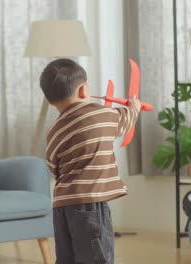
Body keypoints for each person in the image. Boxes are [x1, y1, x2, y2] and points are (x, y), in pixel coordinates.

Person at [40, 58, 141, 264]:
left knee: (67, 259)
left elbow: (53, 166)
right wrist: (134, 108)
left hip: (62, 208)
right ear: (84, 90)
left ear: (50, 101)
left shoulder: (54, 131)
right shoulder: (103, 114)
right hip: (90, 205)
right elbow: (125, 120)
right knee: (96, 258)